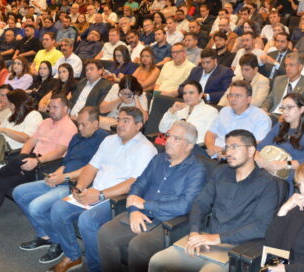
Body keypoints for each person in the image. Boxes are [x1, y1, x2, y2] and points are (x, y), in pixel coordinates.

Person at [37, 107, 157, 272]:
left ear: (139, 125)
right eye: (119, 119)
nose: (120, 124)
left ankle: (96, 268)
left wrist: (100, 195)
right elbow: (91, 167)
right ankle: (73, 256)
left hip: (118, 200)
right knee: (58, 209)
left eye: (126, 121)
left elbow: (134, 183)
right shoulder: (109, 140)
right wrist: (80, 187)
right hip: (93, 191)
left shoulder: (146, 149)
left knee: (87, 220)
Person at [148, 129, 283, 272]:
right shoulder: (221, 172)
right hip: (206, 240)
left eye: (234, 147)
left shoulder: (267, 183)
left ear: (251, 151)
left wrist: (218, 238)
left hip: (237, 248)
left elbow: (261, 226)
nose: (228, 152)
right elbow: (200, 204)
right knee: (158, 262)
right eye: (227, 147)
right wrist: (194, 232)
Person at [0, 94, 75, 244]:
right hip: (31, 160)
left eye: (55, 107)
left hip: (46, 166)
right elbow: (30, 141)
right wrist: (22, 158)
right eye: (50, 107)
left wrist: (36, 161)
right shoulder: (46, 121)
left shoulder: (69, 127)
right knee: (2, 182)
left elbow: (59, 153)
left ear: (66, 109)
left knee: (2, 178)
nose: (51, 110)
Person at [98, 121, 208, 272]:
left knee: (138, 246)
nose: (168, 141)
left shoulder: (197, 169)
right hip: (141, 213)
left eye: (176, 139)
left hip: (168, 221)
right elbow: (138, 185)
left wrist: (145, 204)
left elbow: (185, 205)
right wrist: (134, 210)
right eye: (169, 136)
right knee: (106, 233)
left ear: (189, 145)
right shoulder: (158, 159)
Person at [14, 106, 109, 254]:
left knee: (35, 207)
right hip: (63, 178)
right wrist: (56, 175)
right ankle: (45, 236)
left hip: (77, 184)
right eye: (78, 124)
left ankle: (58, 242)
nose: (80, 128)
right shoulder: (77, 137)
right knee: (19, 192)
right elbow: (66, 163)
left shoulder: (103, 139)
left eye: (84, 124)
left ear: (96, 124)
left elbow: (92, 169)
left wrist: (63, 178)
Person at [257, 93, 304, 191]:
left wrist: (284, 164)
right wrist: (259, 159)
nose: (285, 112)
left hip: (287, 175)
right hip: (266, 168)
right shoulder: (279, 126)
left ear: (302, 109)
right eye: (283, 108)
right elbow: (260, 147)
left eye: (289, 107)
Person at [204, 80, 271, 158]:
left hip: (236, 160)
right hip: (212, 155)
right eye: (231, 95)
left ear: (248, 99)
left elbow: (255, 144)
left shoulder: (261, 117)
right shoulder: (224, 111)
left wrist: (225, 152)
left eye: (238, 96)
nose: (233, 99)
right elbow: (210, 133)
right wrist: (210, 146)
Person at [160, 80, 219, 145]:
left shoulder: (211, 111)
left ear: (200, 95)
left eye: (191, 93)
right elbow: (162, 129)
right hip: (173, 144)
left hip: (194, 148)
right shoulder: (180, 108)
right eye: (185, 93)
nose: (187, 96)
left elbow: (208, 137)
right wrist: (172, 111)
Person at [263, 53, 304, 120]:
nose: (287, 68)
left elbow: (301, 108)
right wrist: (264, 108)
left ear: (300, 67)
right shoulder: (279, 80)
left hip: (290, 118)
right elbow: (270, 99)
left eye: (291, 65)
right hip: (272, 115)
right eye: (286, 65)